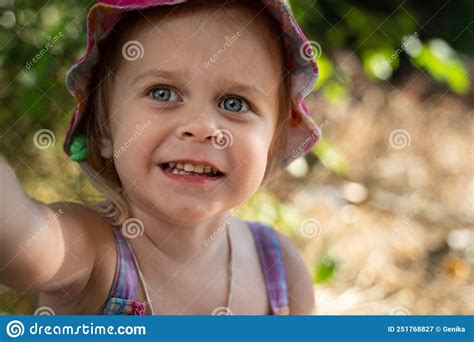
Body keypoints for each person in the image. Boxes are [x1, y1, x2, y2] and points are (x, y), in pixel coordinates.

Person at [0, 0, 322, 315]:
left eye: (235, 103)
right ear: (104, 131)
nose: (202, 127)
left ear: (272, 141)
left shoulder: (282, 269)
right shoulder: (93, 253)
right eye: (162, 92)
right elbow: (23, 241)